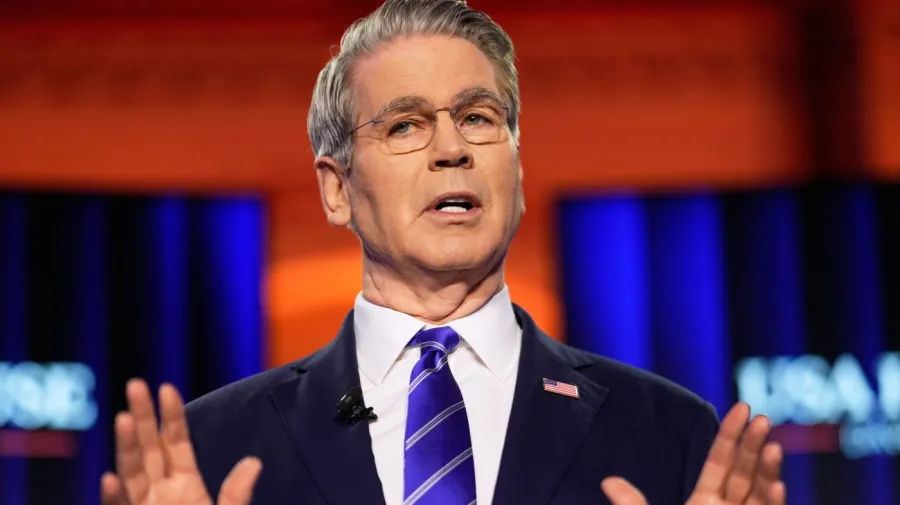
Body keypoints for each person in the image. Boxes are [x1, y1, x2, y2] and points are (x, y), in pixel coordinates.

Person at [100, 1, 786, 504]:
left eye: (478, 118)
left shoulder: (669, 432)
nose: (452, 148)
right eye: (405, 126)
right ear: (337, 189)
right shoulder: (215, 447)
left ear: (517, 171)